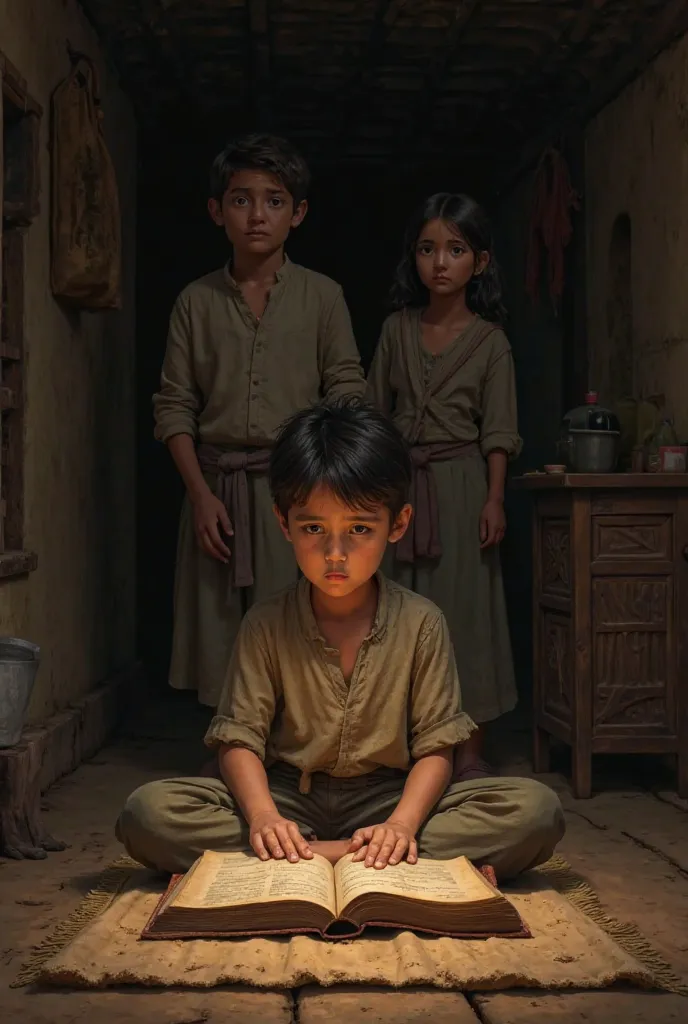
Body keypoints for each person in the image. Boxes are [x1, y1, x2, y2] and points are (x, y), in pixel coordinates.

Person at [117, 401, 564, 880]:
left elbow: (438, 749)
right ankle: (358, 857)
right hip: (287, 795)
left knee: (535, 810)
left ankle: (318, 857)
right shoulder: (265, 623)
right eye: (313, 528)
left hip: (391, 797)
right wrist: (265, 817)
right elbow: (237, 740)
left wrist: (400, 824)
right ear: (283, 522)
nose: (335, 553)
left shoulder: (422, 623)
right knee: (150, 813)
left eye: (359, 529)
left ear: (398, 524)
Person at [153, 133, 365, 707]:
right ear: (216, 211)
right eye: (241, 199)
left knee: (297, 623)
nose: (256, 215)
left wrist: (323, 489)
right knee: (217, 628)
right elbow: (174, 405)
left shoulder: (323, 297)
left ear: (297, 214)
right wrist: (199, 495)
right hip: (215, 487)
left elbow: (347, 388)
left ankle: (292, 748)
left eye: (274, 200)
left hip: (297, 491)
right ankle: (227, 747)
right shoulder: (195, 303)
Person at [367, 193, 520, 782]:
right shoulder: (395, 332)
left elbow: (499, 432)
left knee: (466, 615)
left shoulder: (491, 343)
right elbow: (376, 415)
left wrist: (494, 498)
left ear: (478, 263)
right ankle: (398, 746)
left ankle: (471, 751)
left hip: (461, 488)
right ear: (415, 257)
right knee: (393, 614)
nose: (441, 262)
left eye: (455, 250)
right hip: (399, 487)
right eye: (429, 248)